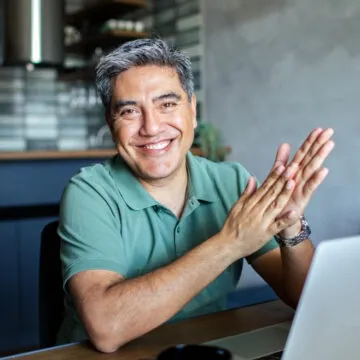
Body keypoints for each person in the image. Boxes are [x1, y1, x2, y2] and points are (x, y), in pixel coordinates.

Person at [56, 38, 334, 353]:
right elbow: (106, 328)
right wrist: (230, 242)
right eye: (130, 111)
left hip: (209, 349)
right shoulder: (89, 192)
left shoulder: (232, 182)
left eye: (167, 104)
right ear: (111, 122)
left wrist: (290, 226)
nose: (151, 127)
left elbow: (305, 298)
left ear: (192, 110)